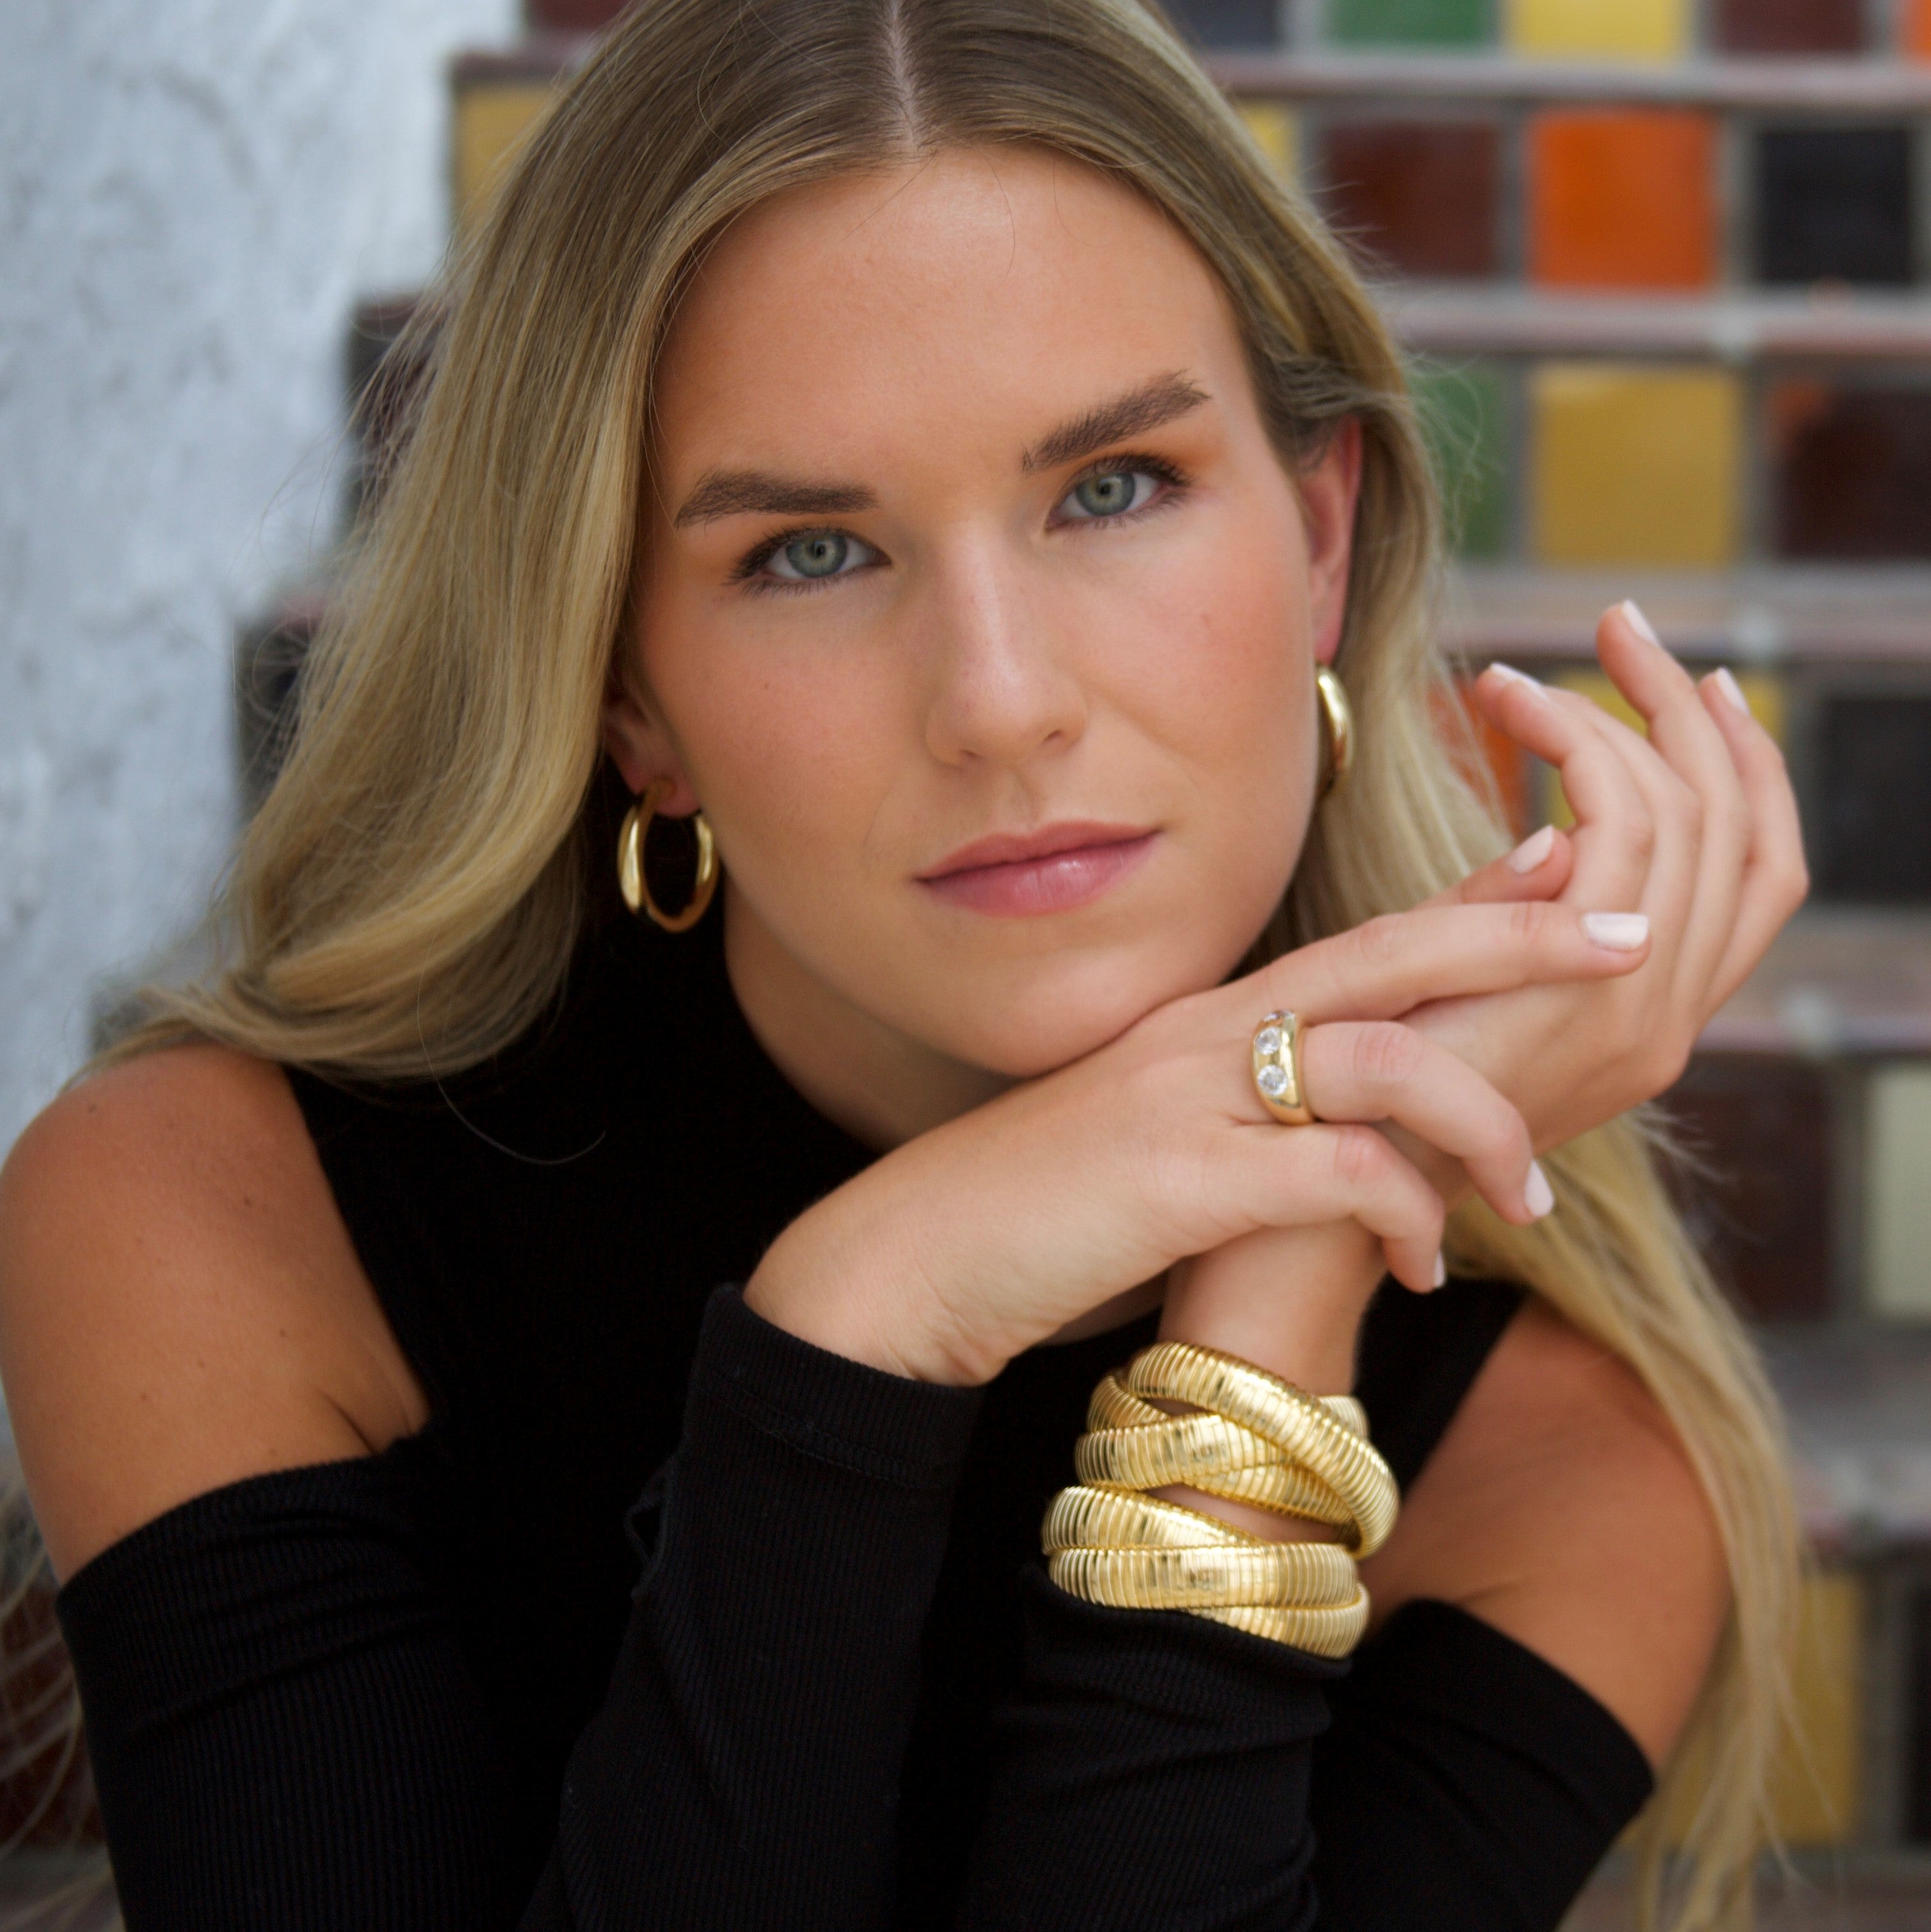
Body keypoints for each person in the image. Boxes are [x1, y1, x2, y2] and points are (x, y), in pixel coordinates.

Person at [0, 2, 1807, 1927]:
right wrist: (860, 1331)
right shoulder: (217, 1224)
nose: (1002, 704)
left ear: (1321, 538)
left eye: (1111, 488)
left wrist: (1277, 1294)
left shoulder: (1570, 1478)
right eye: (806, 552)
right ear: (628, 696)